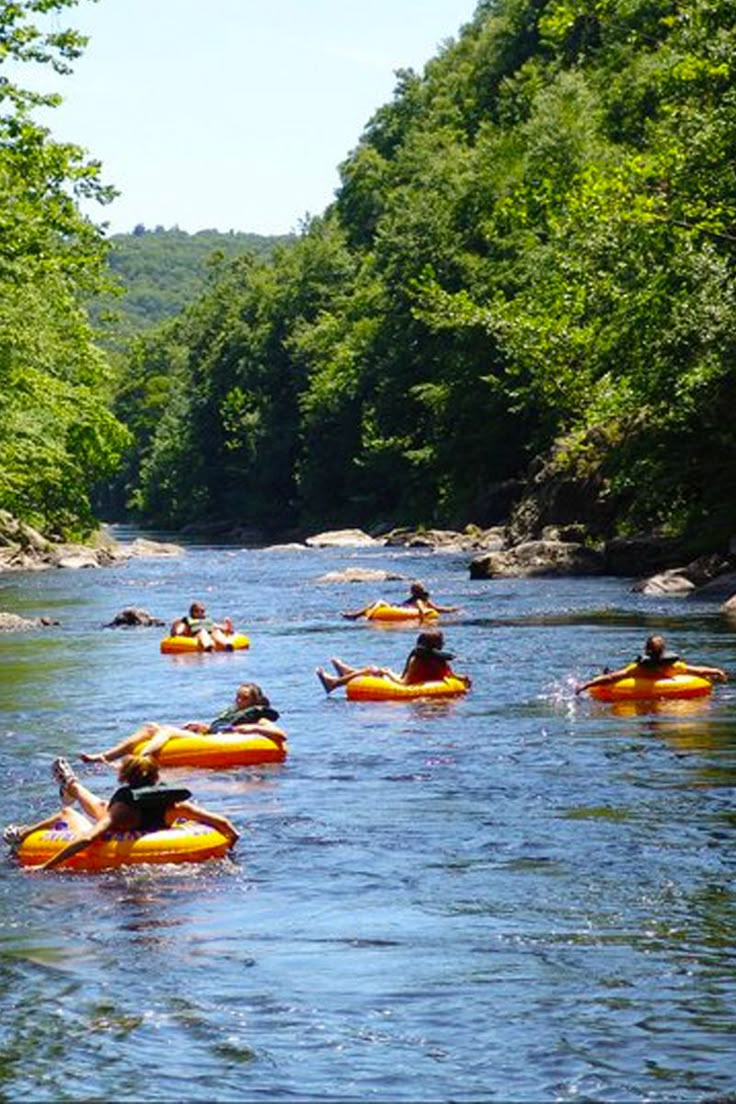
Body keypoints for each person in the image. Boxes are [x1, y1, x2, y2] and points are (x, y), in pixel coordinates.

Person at [3, 755, 240, 871]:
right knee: (101, 805)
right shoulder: (177, 807)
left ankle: (22, 835)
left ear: (125, 778)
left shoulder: (121, 809)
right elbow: (225, 825)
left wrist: (46, 866)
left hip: (117, 835)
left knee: (67, 813)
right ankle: (71, 785)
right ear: (156, 777)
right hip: (156, 838)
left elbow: (87, 838)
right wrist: (229, 846)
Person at [79, 683, 286, 764]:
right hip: (209, 738)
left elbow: (280, 735)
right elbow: (218, 729)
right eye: (238, 698)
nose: (238, 702)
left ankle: (141, 759)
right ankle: (104, 757)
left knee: (168, 730)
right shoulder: (233, 713)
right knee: (150, 727)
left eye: (244, 699)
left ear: (255, 702)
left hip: (218, 744)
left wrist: (252, 727)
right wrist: (203, 726)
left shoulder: (259, 717)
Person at [316, 628, 471, 693]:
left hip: (409, 686)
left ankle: (334, 684)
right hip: (422, 684)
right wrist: (462, 679)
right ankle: (346, 672)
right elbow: (449, 676)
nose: (444, 644)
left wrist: (389, 673)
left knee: (373, 670)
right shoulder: (441, 660)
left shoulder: (418, 660)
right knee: (375, 670)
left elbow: (405, 684)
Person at [575, 634, 728, 695]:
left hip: (635, 684)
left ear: (646, 651)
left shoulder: (638, 669)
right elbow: (698, 671)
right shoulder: (674, 666)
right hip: (664, 686)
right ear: (664, 652)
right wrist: (716, 671)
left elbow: (611, 677)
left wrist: (586, 685)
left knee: (610, 672)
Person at [341, 581, 458, 620]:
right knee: (378, 603)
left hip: (401, 609)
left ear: (412, 592)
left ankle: (358, 616)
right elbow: (438, 609)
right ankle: (356, 615)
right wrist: (452, 609)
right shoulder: (424, 599)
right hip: (401, 609)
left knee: (380, 601)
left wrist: (422, 621)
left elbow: (422, 611)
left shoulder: (418, 601)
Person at [170, 601, 234, 651]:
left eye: (202, 611)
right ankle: (208, 646)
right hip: (197, 635)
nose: (200, 613)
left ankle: (227, 644)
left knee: (216, 631)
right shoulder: (186, 621)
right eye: (197, 611)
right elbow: (178, 632)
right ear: (192, 612)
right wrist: (175, 626)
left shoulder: (206, 620)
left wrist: (227, 627)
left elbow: (219, 627)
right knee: (202, 632)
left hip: (210, 634)